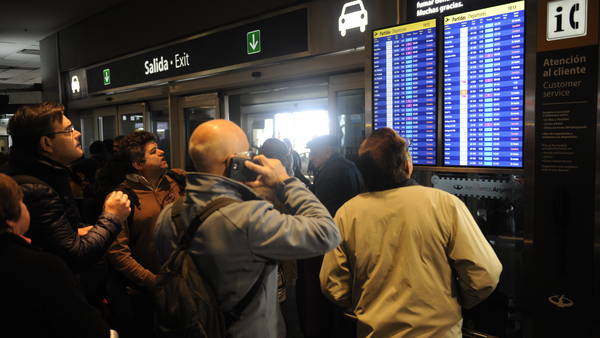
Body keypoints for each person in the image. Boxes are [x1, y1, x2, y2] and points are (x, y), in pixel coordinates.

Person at [154, 119, 341, 338]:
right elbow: (326, 232)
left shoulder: (168, 215)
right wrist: (286, 182)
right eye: (248, 154)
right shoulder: (248, 218)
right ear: (235, 161)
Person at [320, 128, 503, 337]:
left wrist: (363, 303)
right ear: (407, 165)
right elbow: (485, 274)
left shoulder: (347, 213)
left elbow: (331, 282)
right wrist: (456, 300)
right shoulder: (445, 204)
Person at [0, 102, 131, 272]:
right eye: (69, 130)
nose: (78, 133)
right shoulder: (37, 190)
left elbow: (50, 241)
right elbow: (75, 256)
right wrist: (112, 216)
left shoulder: (32, 172)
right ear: (46, 143)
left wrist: (74, 233)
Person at [0, 173, 117, 338]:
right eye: (20, 201)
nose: (25, 207)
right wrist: (113, 216)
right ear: (9, 218)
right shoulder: (41, 267)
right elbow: (87, 327)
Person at [106, 131, 185, 338]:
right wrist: (154, 282)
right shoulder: (122, 198)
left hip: (186, 286)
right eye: (153, 151)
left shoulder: (178, 181)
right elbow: (118, 254)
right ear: (138, 164)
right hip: (146, 295)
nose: (161, 152)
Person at [297, 134, 364, 338]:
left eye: (315, 152)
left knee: (326, 304)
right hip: (351, 238)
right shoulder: (349, 166)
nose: (313, 157)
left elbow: (323, 213)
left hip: (332, 244)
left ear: (328, 150)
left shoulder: (330, 173)